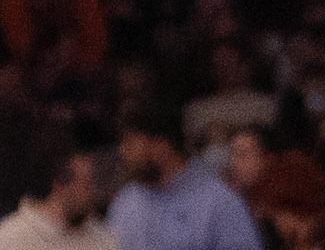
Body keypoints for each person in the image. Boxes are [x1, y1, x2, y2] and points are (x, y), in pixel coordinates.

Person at [107, 101, 262, 250]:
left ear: (161, 145)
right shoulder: (125, 202)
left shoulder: (220, 203)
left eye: (130, 144)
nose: (123, 152)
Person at [0, 133, 116, 250]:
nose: (92, 194)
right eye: (86, 186)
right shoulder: (11, 240)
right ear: (60, 185)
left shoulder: (102, 240)